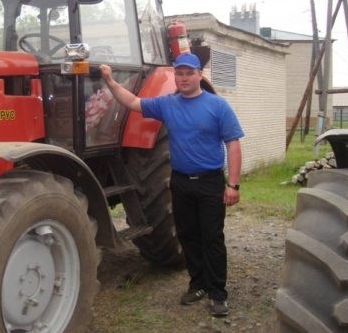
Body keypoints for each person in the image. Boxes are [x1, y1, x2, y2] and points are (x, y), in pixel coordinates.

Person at [99, 53, 243, 317]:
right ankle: (197, 284)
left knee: (211, 237)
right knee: (187, 235)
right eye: (180, 73)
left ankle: (217, 293)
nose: (184, 78)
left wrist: (232, 185)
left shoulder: (217, 106)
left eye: (189, 73)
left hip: (210, 181)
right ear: (175, 76)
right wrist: (109, 80)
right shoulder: (168, 104)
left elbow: (233, 143)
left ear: (199, 74)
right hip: (180, 181)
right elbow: (132, 102)